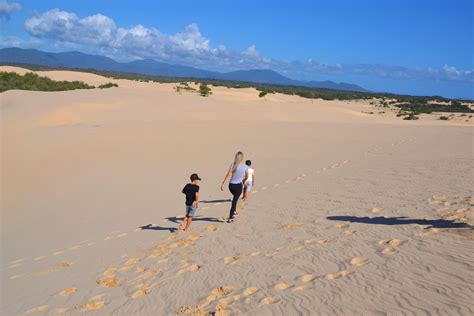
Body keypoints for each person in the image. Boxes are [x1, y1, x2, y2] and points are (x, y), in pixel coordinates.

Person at [221, 151, 248, 223]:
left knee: (235, 198)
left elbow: (228, 174)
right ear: (242, 158)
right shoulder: (245, 167)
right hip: (238, 186)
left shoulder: (232, 165)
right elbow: (247, 176)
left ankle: (235, 212)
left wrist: (223, 184)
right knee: (234, 202)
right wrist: (244, 180)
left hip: (231, 186)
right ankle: (230, 217)